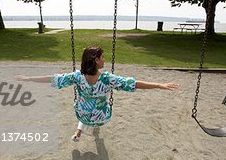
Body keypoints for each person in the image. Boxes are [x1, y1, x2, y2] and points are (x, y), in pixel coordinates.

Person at [14, 46, 179, 141]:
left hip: (82, 114)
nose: (105, 60)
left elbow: (53, 79)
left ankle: (79, 131)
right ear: (96, 60)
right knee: (98, 102)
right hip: (101, 117)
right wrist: (158, 85)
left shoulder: (77, 77)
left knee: (85, 104)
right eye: (102, 57)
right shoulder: (107, 79)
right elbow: (133, 84)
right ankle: (80, 130)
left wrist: (28, 78)